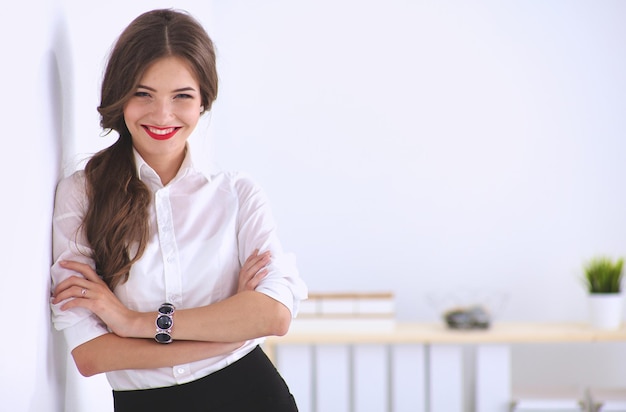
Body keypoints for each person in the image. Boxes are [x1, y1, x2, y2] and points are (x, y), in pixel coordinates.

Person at [50, 8, 307, 412]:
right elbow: (92, 355)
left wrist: (133, 324)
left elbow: (273, 316)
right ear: (121, 96)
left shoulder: (239, 194)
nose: (162, 115)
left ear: (204, 99)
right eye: (143, 93)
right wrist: (230, 331)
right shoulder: (82, 195)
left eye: (182, 96)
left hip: (253, 395)